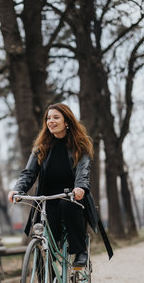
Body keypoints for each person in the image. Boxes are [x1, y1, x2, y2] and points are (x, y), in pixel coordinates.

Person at [8, 103, 100, 267]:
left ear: (66, 121)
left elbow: (83, 171)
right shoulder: (41, 147)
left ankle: (80, 251)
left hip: (72, 196)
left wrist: (79, 188)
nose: (51, 121)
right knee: (45, 241)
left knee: (67, 205)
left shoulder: (80, 146)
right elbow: (29, 173)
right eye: (48, 118)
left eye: (56, 117)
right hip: (47, 198)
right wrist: (17, 189)